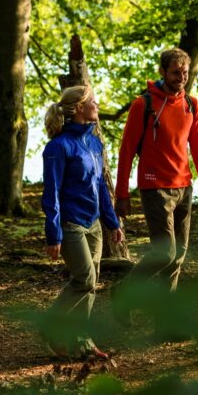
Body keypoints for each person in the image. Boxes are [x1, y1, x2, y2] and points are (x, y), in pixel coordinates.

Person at [115, 47, 198, 295]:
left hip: (184, 187)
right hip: (155, 187)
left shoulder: (192, 105)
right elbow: (126, 151)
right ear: (162, 72)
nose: (181, 77)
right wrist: (122, 195)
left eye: (184, 72)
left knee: (178, 256)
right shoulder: (143, 104)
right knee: (165, 253)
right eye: (175, 72)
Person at [41, 84, 125, 360]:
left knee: (90, 284)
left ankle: (82, 341)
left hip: (94, 225)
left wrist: (113, 223)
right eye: (93, 101)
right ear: (79, 108)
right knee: (85, 279)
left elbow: (101, 186)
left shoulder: (94, 142)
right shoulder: (58, 147)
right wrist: (53, 234)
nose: (97, 105)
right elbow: (51, 193)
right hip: (70, 223)